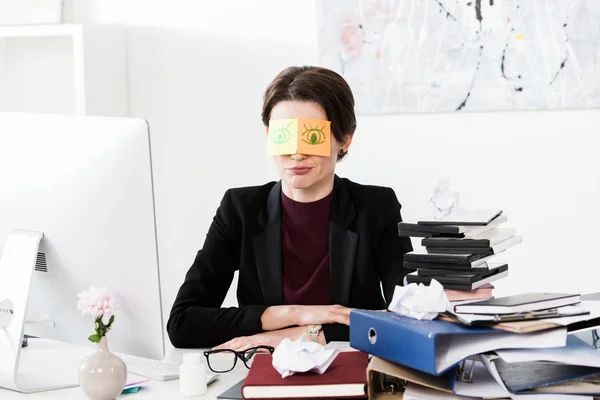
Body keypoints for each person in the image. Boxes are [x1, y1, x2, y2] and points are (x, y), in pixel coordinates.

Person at [167, 66, 412, 350]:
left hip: (352, 372)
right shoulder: (240, 210)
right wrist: (292, 313)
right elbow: (183, 323)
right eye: (283, 136)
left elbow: (410, 319)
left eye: (312, 136)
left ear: (344, 140)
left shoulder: (377, 208)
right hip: (263, 374)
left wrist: (303, 335)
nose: (296, 153)